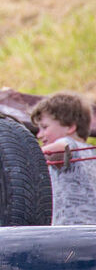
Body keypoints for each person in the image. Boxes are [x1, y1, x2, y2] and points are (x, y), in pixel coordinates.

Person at [31, 93, 96, 225]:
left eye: (44, 127)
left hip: (72, 231)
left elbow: (57, 150)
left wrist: (18, 154)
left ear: (70, 127)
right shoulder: (90, 151)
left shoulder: (69, 144)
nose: (39, 135)